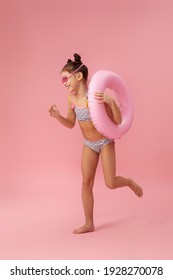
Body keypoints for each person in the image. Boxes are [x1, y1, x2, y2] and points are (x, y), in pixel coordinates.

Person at [49, 53, 143, 234]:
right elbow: (70, 124)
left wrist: (111, 102)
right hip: (89, 145)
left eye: (65, 79)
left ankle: (129, 182)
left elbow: (117, 122)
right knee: (86, 183)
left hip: (105, 142)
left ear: (78, 76)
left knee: (110, 182)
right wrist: (57, 116)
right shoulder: (72, 99)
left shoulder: (97, 97)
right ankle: (89, 223)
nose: (64, 83)